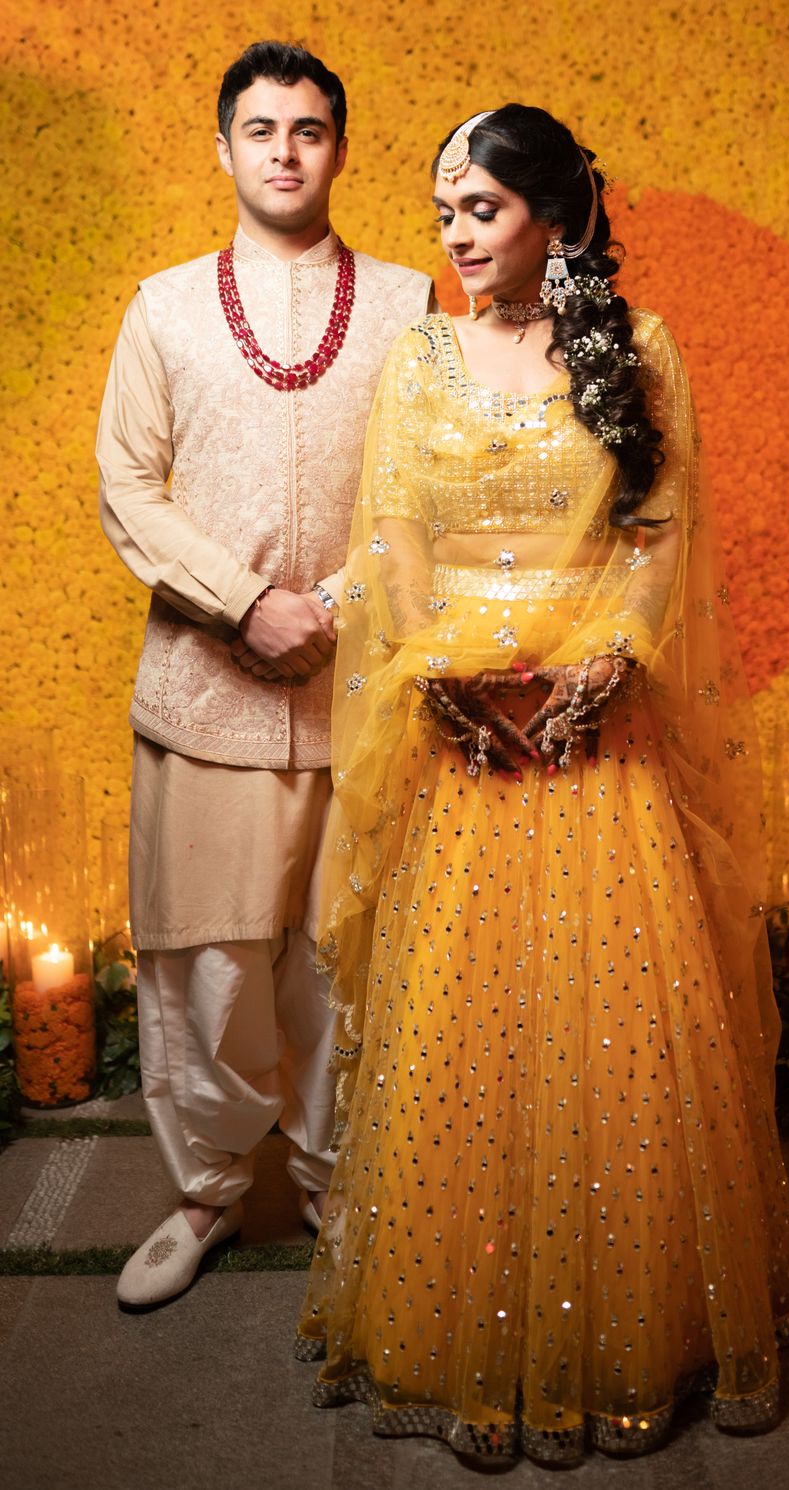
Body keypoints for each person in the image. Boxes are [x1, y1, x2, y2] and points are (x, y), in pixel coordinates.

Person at [295, 104, 789, 1462]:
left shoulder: (636, 351)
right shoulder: (418, 357)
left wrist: (616, 657)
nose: (457, 235)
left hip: (593, 736)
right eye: (446, 209)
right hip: (468, 734)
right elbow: (393, 526)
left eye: (483, 209)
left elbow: (657, 524)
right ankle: (461, 1332)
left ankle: (629, 1334)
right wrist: (431, 671)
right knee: (462, 1039)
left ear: (555, 215)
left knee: (616, 1042)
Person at [98, 41, 432, 1308]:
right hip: (201, 695)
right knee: (213, 965)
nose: (284, 150)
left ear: (340, 147)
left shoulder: (408, 305)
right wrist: (243, 601)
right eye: (260, 128)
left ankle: (348, 1185)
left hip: (364, 695)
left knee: (349, 959)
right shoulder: (164, 307)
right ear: (223, 147)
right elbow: (127, 487)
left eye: (308, 128)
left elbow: (427, 490)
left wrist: (329, 610)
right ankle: (210, 1193)